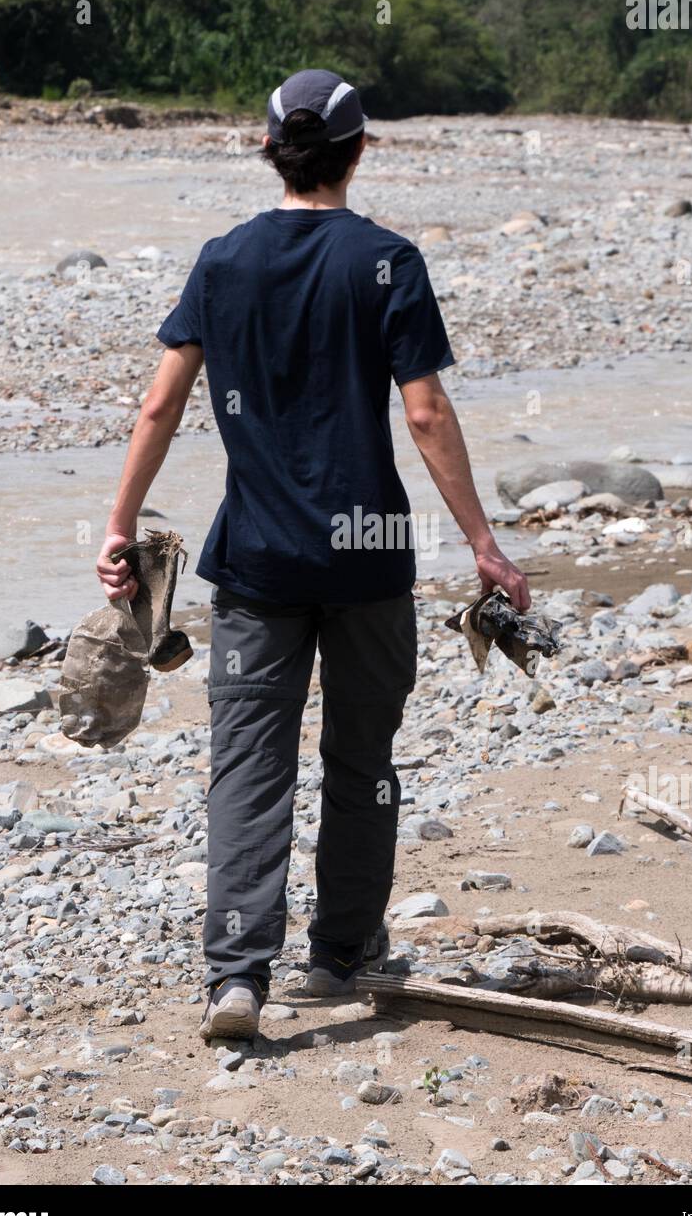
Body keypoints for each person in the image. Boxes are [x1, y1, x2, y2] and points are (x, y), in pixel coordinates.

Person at [95, 68, 530, 1040]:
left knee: (247, 765)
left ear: (268, 150)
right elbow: (421, 412)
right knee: (360, 760)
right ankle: (338, 959)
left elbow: (160, 404)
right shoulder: (386, 261)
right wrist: (482, 543)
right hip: (369, 558)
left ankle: (236, 979)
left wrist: (119, 524)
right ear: (359, 150)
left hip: (257, 560)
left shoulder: (223, 261)